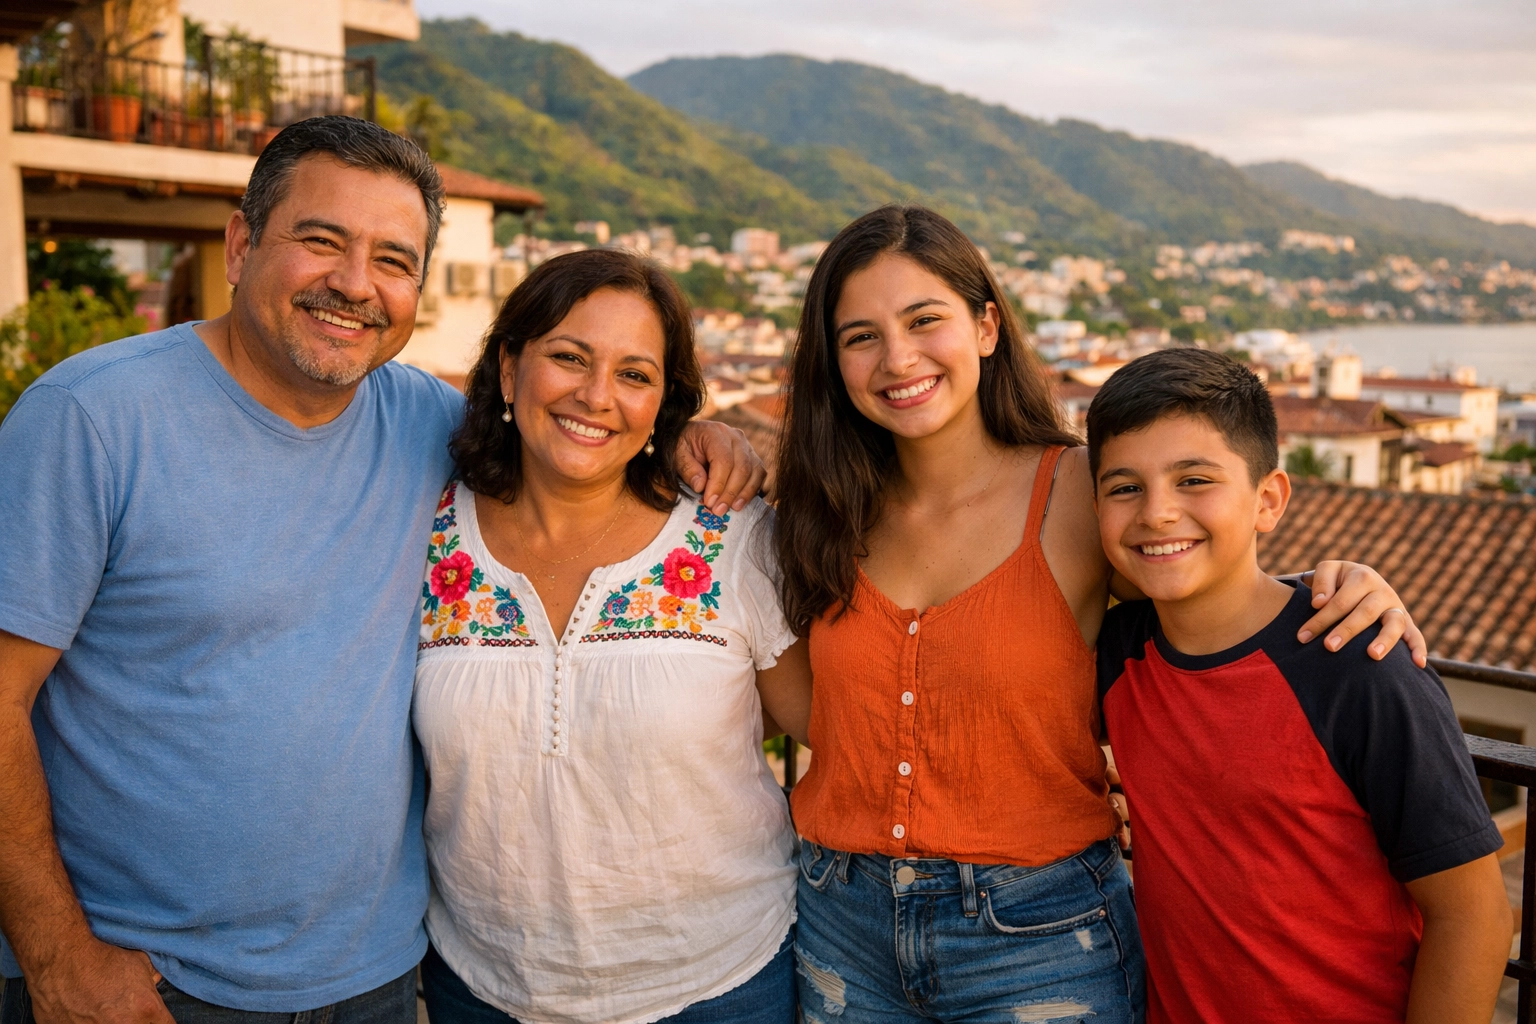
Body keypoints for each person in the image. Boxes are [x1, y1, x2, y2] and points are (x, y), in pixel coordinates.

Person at [0, 117, 763, 1024]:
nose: (355, 285)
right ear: (242, 244)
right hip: (143, 983)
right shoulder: (91, 418)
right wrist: (58, 959)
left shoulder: (427, 426)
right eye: (321, 240)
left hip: (374, 977)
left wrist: (696, 438)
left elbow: (577, 428)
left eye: (393, 260)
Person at [771, 204, 1428, 1023]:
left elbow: (1204, 577)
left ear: (986, 325)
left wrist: (1343, 583)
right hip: (842, 924)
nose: (897, 356)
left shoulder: (1079, 492)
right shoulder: (816, 505)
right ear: (832, 361)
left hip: (1039, 935)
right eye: (859, 335)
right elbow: (795, 685)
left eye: (924, 319)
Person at [411, 247, 812, 1024]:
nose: (597, 397)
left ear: (666, 403)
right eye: (568, 358)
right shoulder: (425, 534)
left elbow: (837, 726)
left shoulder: (731, 541)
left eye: (635, 374)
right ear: (508, 366)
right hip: (483, 987)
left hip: (722, 983)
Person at [1089, 348, 1511, 1024]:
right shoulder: (1120, 654)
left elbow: (1474, 915)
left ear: (1269, 500)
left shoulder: (1357, 663)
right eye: (1124, 487)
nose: (1158, 513)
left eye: (1194, 479)